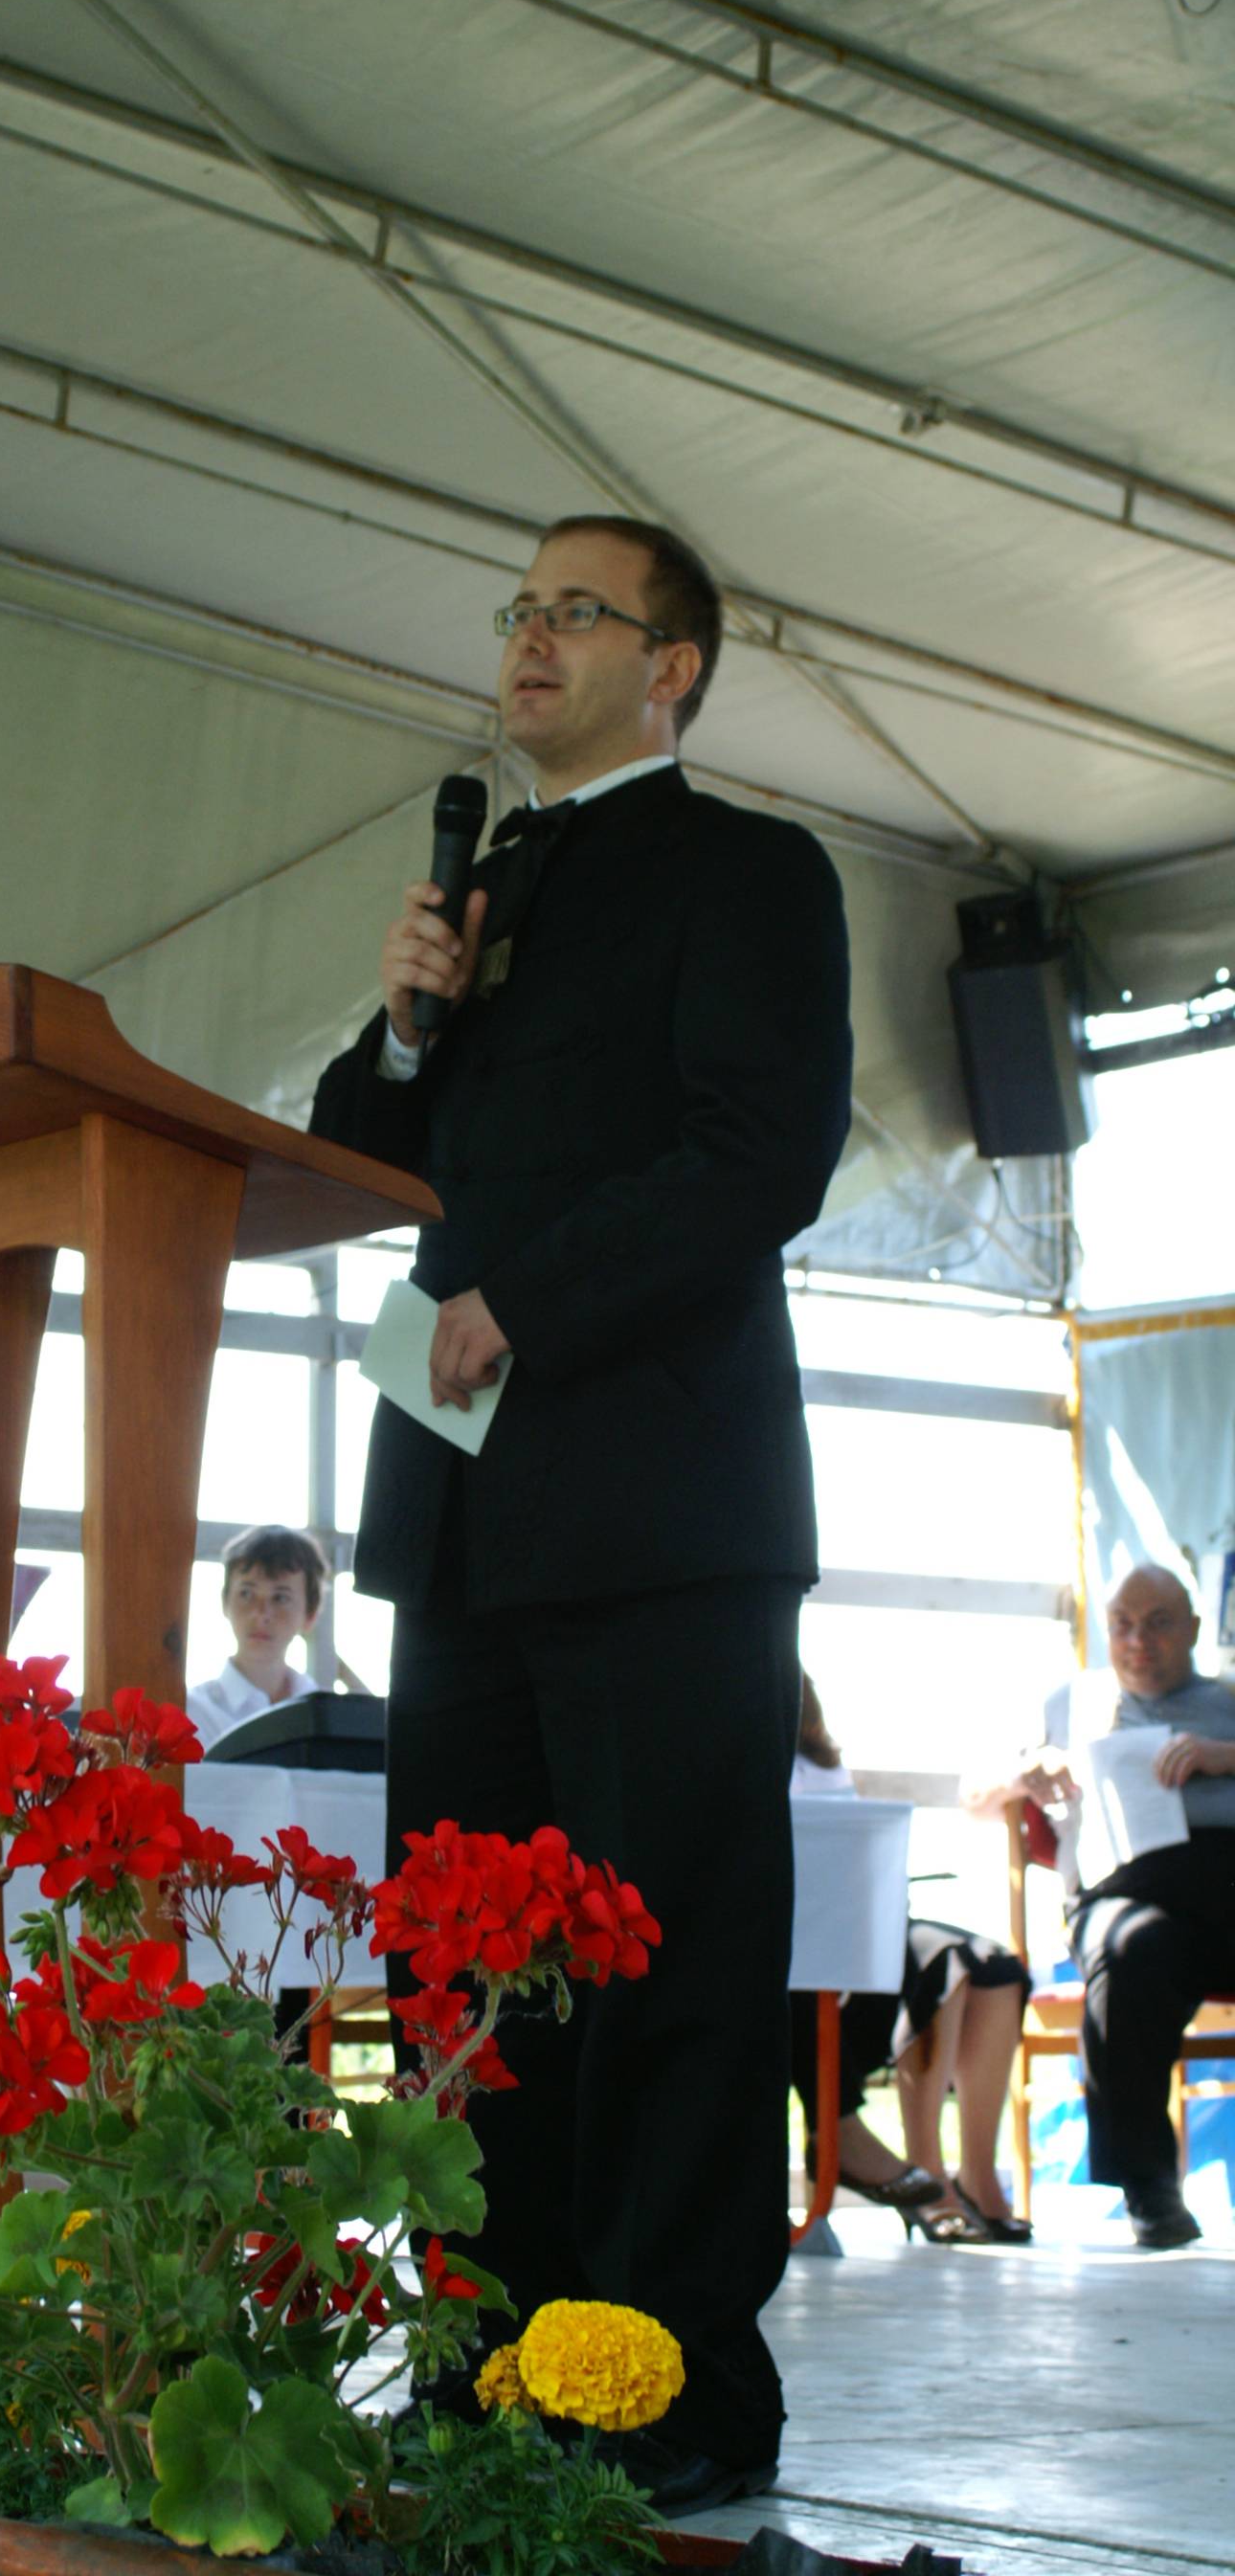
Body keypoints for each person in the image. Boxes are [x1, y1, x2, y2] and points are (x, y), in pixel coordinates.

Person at [309, 514, 852, 2515]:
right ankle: (476, 2367)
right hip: (458, 1523)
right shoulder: (481, 893)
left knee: (667, 1964)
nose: (529, 640)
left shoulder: (749, 872)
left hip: (660, 1511)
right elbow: (346, 1159)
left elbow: (754, 1153)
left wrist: (521, 1301)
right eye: (518, 610)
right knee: (459, 1977)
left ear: (676, 665)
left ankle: (669, 2389)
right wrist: (398, 1027)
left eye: (575, 612)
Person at [967, 1561, 1235, 2249]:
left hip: (1224, 1881)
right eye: (1122, 1625)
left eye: (1159, 1623)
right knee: (1129, 1952)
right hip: (1122, 1890)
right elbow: (975, 1794)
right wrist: (1023, 1772)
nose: (1138, 1641)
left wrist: (1222, 1755)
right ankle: (1149, 2188)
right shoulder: (1069, 1702)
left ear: (1195, 1631)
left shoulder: (1227, 1698)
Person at [789, 1675, 1028, 2245]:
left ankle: (971, 2173)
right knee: (947, 1961)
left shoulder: (818, 1762)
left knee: (996, 1967)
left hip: (848, 1922)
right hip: (802, 1939)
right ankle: (928, 2175)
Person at [184, 1525, 328, 1754]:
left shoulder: (327, 1718)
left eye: (280, 1598)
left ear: (310, 1614)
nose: (261, 1614)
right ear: (225, 1603)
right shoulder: (191, 1715)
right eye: (246, 1594)